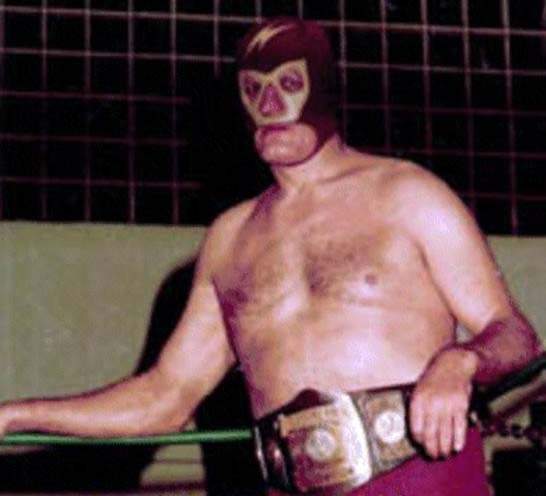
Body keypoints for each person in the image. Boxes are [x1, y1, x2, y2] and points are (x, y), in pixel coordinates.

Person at [0, 18, 543, 496]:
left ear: (322, 88)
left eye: (288, 83)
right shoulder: (230, 238)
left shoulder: (407, 195)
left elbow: (515, 335)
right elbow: (166, 396)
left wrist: (459, 363)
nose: (269, 104)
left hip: (417, 478)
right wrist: (15, 415)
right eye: (253, 88)